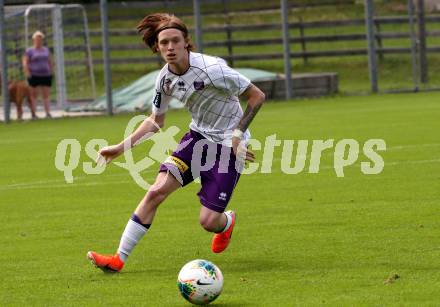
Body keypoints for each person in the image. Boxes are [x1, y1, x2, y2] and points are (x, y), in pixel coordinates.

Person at [87, 13, 265, 272]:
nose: (170, 48)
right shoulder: (164, 79)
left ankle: (225, 223)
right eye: (164, 43)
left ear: (186, 43)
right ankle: (118, 259)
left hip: (228, 147)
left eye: (174, 41)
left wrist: (237, 137)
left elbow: (257, 96)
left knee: (208, 221)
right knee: (155, 191)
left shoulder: (212, 69)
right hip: (196, 139)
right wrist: (119, 148)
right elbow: (155, 121)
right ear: (157, 47)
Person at [22, 30, 53, 119]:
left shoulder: (46, 50)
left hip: (45, 75)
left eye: (40, 39)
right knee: (34, 95)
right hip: (34, 75)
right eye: (37, 39)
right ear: (33, 40)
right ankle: (34, 114)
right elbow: (25, 62)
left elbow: (50, 61)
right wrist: (28, 73)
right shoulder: (29, 51)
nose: (38, 41)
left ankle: (47, 113)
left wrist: (51, 71)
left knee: (46, 95)